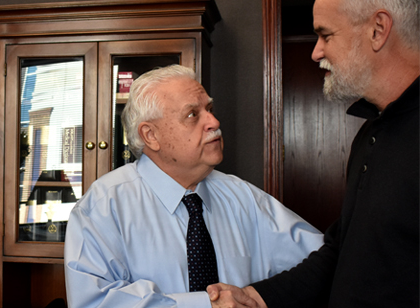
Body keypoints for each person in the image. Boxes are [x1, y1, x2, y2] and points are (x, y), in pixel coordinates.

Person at [208, 0, 419, 307]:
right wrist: (257, 296)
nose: (316, 52)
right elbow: (342, 251)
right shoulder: (371, 134)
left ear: (378, 29)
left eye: (326, 35)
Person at [64, 64, 324, 308]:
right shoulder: (102, 207)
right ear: (151, 136)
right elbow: (94, 303)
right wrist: (205, 304)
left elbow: (324, 262)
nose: (214, 122)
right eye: (193, 115)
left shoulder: (243, 196)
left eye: (210, 109)